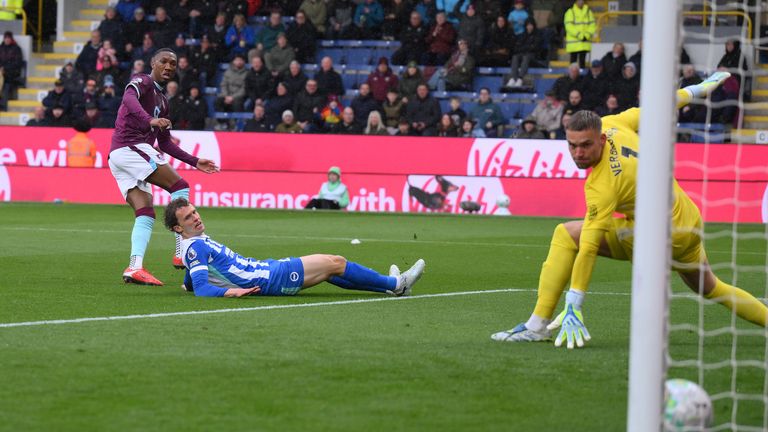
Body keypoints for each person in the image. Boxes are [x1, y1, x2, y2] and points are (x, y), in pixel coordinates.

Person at [491, 72, 768, 348]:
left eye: (586, 145)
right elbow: (660, 108)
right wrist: (699, 89)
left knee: (566, 235)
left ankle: (537, 325)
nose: (578, 153)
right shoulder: (614, 124)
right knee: (711, 287)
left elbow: (587, 247)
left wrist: (574, 302)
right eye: (572, 145)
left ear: (600, 139)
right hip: (688, 221)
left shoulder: (602, 185)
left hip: (659, 237)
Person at [108, 48, 219, 286]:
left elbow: (165, 144)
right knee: (180, 187)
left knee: (145, 211)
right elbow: (128, 98)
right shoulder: (143, 81)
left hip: (121, 155)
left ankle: (135, 267)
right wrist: (149, 120)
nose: (168, 66)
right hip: (129, 146)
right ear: (153, 63)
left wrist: (194, 160)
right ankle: (181, 252)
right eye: (164, 62)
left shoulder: (164, 103)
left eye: (173, 63)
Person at [164, 198, 425, 298]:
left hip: (266, 269)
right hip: (269, 279)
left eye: (195, 212)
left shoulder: (192, 245)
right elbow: (203, 290)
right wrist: (232, 292)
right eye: (188, 218)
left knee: (331, 269)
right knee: (336, 263)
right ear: (178, 228)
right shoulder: (195, 248)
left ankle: (391, 285)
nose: (196, 217)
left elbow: (194, 277)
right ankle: (396, 284)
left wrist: (186, 283)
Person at [505, 18, 541, 88]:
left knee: (526, 57)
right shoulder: (522, 35)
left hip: (532, 56)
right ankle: (513, 78)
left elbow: (535, 48)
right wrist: (527, 47)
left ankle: (520, 78)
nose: (529, 27)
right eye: (528, 25)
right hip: (522, 54)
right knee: (515, 57)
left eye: (531, 25)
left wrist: (525, 48)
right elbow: (517, 47)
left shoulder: (537, 35)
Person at [214, 54, 248, 130]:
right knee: (217, 101)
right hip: (226, 96)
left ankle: (237, 124)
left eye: (240, 60)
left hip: (238, 97)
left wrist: (232, 97)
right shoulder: (228, 72)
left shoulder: (247, 73)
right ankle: (223, 123)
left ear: (243, 62)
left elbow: (244, 89)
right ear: (233, 61)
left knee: (238, 103)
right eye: (237, 60)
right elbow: (223, 84)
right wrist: (226, 96)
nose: (238, 62)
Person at [563, 0, 594, 68]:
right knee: (573, 62)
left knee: (582, 63)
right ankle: (573, 78)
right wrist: (580, 35)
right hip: (574, 43)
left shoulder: (589, 12)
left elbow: (592, 25)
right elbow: (569, 26)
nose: (581, 2)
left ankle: (582, 78)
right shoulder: (570, 12)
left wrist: (587, 35)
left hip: (584, 42)